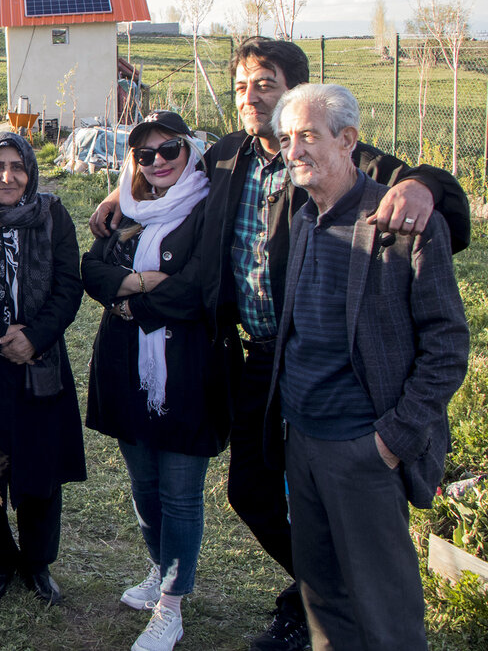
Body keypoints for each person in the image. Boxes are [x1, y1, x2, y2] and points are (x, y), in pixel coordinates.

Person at [88, 37, 471, 651]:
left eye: (264, 84)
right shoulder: (228, 157)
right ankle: (317, 594)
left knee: (333, 499)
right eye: (240, 85)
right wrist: (116, 193)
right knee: (253, 491)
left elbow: (415, 190)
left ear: (295, 90)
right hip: (256, 355)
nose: (249, 97)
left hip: (331, 362)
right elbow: (165, 170)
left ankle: (316, 605)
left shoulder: (328, 154)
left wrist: (425, 184)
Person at [265, 84, 467, 650]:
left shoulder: (402, 223)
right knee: (324, 602)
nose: (295, 150)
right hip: (302, 441)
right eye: (286, 139)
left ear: (348, 140)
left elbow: (448, 345)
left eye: (308, 135)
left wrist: (393, 439)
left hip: (364, 449)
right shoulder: (304, 219)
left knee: (386, 615)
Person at [83, 111, 220, 651]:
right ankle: (161, 568)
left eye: (170, 150)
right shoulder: (123, 208)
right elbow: (91, 272)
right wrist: (138, 280)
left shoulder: (209, 208)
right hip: (125, 369)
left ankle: (171, 605)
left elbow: (196, 290)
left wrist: (129, 301)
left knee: (181, 492)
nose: (158, 161)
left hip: (186, 372)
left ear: (189, 151)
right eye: (145, 154)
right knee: (143, 486)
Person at [0, 131, 85, 607]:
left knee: (40, 470)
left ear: (30, 170)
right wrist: (0, 337)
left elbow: (68, 286)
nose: (7, 176)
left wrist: (34, 337)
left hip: (42, 363)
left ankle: (36, 563)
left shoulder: (53, 216)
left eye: (17, 166)